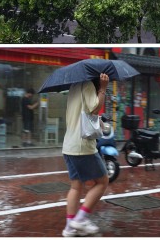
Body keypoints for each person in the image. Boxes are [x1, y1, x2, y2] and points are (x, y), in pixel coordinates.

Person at [62, 73, 109, 237]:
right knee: (102, 182)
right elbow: (94, 107)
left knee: (76, 186)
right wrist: (103, 88)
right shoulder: (88, 85)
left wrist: (99, 121)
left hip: (69, 145)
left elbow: (84, 113)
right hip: (83, 147)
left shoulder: (74, 86)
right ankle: (81, 218)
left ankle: (69, 227)